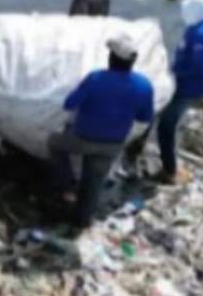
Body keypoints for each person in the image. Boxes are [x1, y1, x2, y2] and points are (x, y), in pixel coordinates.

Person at [48, 35, 154, 228]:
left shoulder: (96, 78)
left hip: (82, 138)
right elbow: (144, 117)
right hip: (112, 145)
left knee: (54, 144)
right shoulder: (144, 86)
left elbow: (69, 103)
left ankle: (68, 185)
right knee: (93, 183)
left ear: (111, 58)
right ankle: (80, 223)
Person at [152, 0, 203, 182]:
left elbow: (200, 66)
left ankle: (169, 170)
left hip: (187, 88)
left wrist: (175, 73)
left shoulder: (202, 34)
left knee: (166, 126)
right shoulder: (200, 28)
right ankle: (142, 148)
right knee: (161, 115)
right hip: (184, 84)